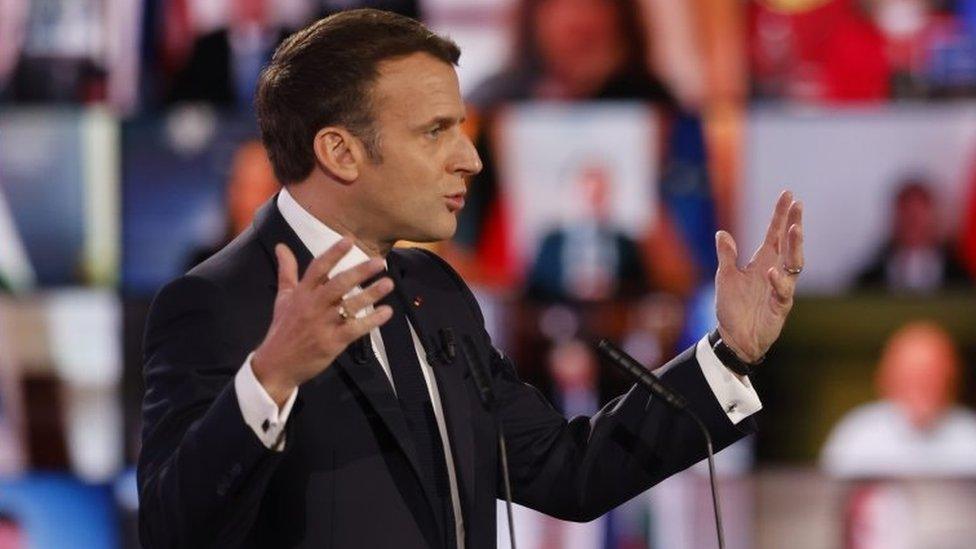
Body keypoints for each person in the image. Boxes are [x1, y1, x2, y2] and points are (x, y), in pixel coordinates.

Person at [137, 9, 805, 548]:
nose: (471, 159)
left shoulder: (437, 291)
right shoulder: (211, 304)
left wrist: (729, 353)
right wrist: (271, 377)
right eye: (436, 132)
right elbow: (172, 529)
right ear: (340, 151)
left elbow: (567, 473)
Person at [821, 321, 976, 478]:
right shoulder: (857, 434)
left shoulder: (970, 435)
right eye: (911, 375)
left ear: (951, 376)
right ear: (887, 378)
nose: (921, 384)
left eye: (931, 374)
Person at [855, 178, 970, 293]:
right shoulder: (869, 279)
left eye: (918, 217)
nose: (912, 223)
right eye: (907, 216)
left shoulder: (960, 277)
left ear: (935, 219)